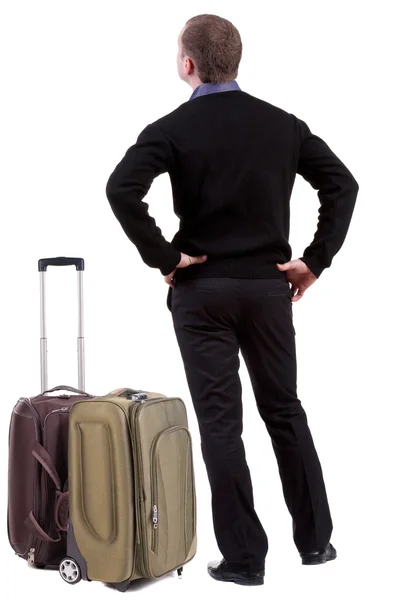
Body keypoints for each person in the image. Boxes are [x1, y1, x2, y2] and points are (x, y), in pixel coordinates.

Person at [105, 13, 359, 587]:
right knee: (285, 410)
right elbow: (343, 184)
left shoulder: (171, 128)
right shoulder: (282, 126)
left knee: (222, 425)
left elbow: (121, 189)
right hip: (270, 292)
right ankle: (316, 544)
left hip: (202, 294)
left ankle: (244, 560)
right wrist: (314, 261)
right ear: (237, 62)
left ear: (187, 64)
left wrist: (166, 258)